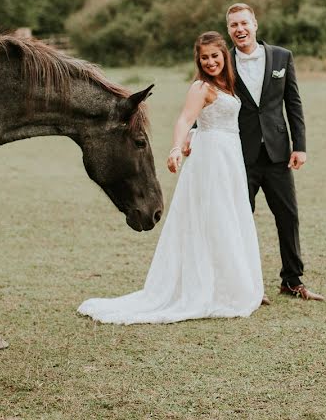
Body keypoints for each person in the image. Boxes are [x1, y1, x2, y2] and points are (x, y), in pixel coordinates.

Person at [77, 31, 264, 324]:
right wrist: (178, 146)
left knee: (231, 215)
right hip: (211, 159)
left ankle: (229, 284)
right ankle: (208, 288)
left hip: (229, 157)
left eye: (215, 56)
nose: (211, 61)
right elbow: (184, 119)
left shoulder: (228, 84)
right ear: (199, 61)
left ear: (223, 56)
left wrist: (194, 134)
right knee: (214, 217)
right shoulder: (201, 87)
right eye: (205, 58)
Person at [188, 3, 323, 301]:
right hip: (238, 156)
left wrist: (299, 145)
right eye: (234, 25)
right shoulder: (223, 63)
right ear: (229, 30)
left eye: (244, 23)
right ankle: (244, 286)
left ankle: (292, 280)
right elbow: (209, 102)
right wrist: (192, 136)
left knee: (288, 216)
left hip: (277, 153)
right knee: (238, 220)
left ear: (255, 24)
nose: (240, 29)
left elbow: (293, 103)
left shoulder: (282, 57)